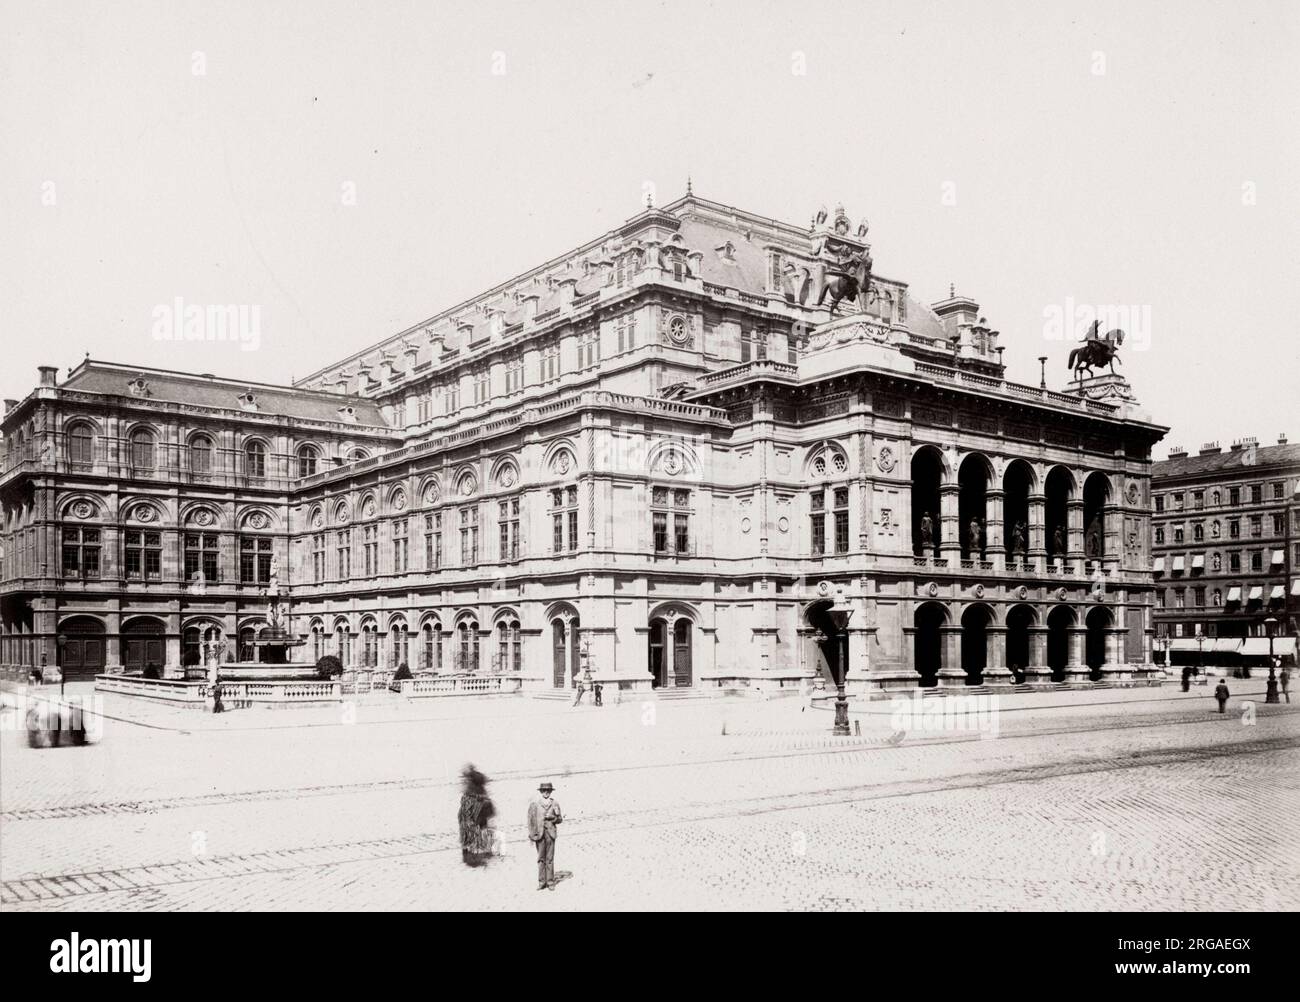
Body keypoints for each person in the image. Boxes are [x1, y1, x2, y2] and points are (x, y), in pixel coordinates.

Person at [457, 765, 497, 868]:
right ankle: (476, 853)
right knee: (480, 829)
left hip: (477, 809)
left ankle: (472, 854)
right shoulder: (474, 785)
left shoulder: (472, 784)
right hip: (477, 809)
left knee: (477, 830)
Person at [527, 781, 562, 890]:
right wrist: (532, 834)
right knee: (541, 859)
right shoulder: (535, 804)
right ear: (541, 791)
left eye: (548, 790)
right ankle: (542, 882)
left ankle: (550, 882)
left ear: (551, 792)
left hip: (550, 834)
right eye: (544, 790)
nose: (546, 792)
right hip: (539, 835)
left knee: (550, 859)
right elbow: (531, 821)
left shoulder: (555, 803)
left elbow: (560, 819)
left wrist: (553, 818)